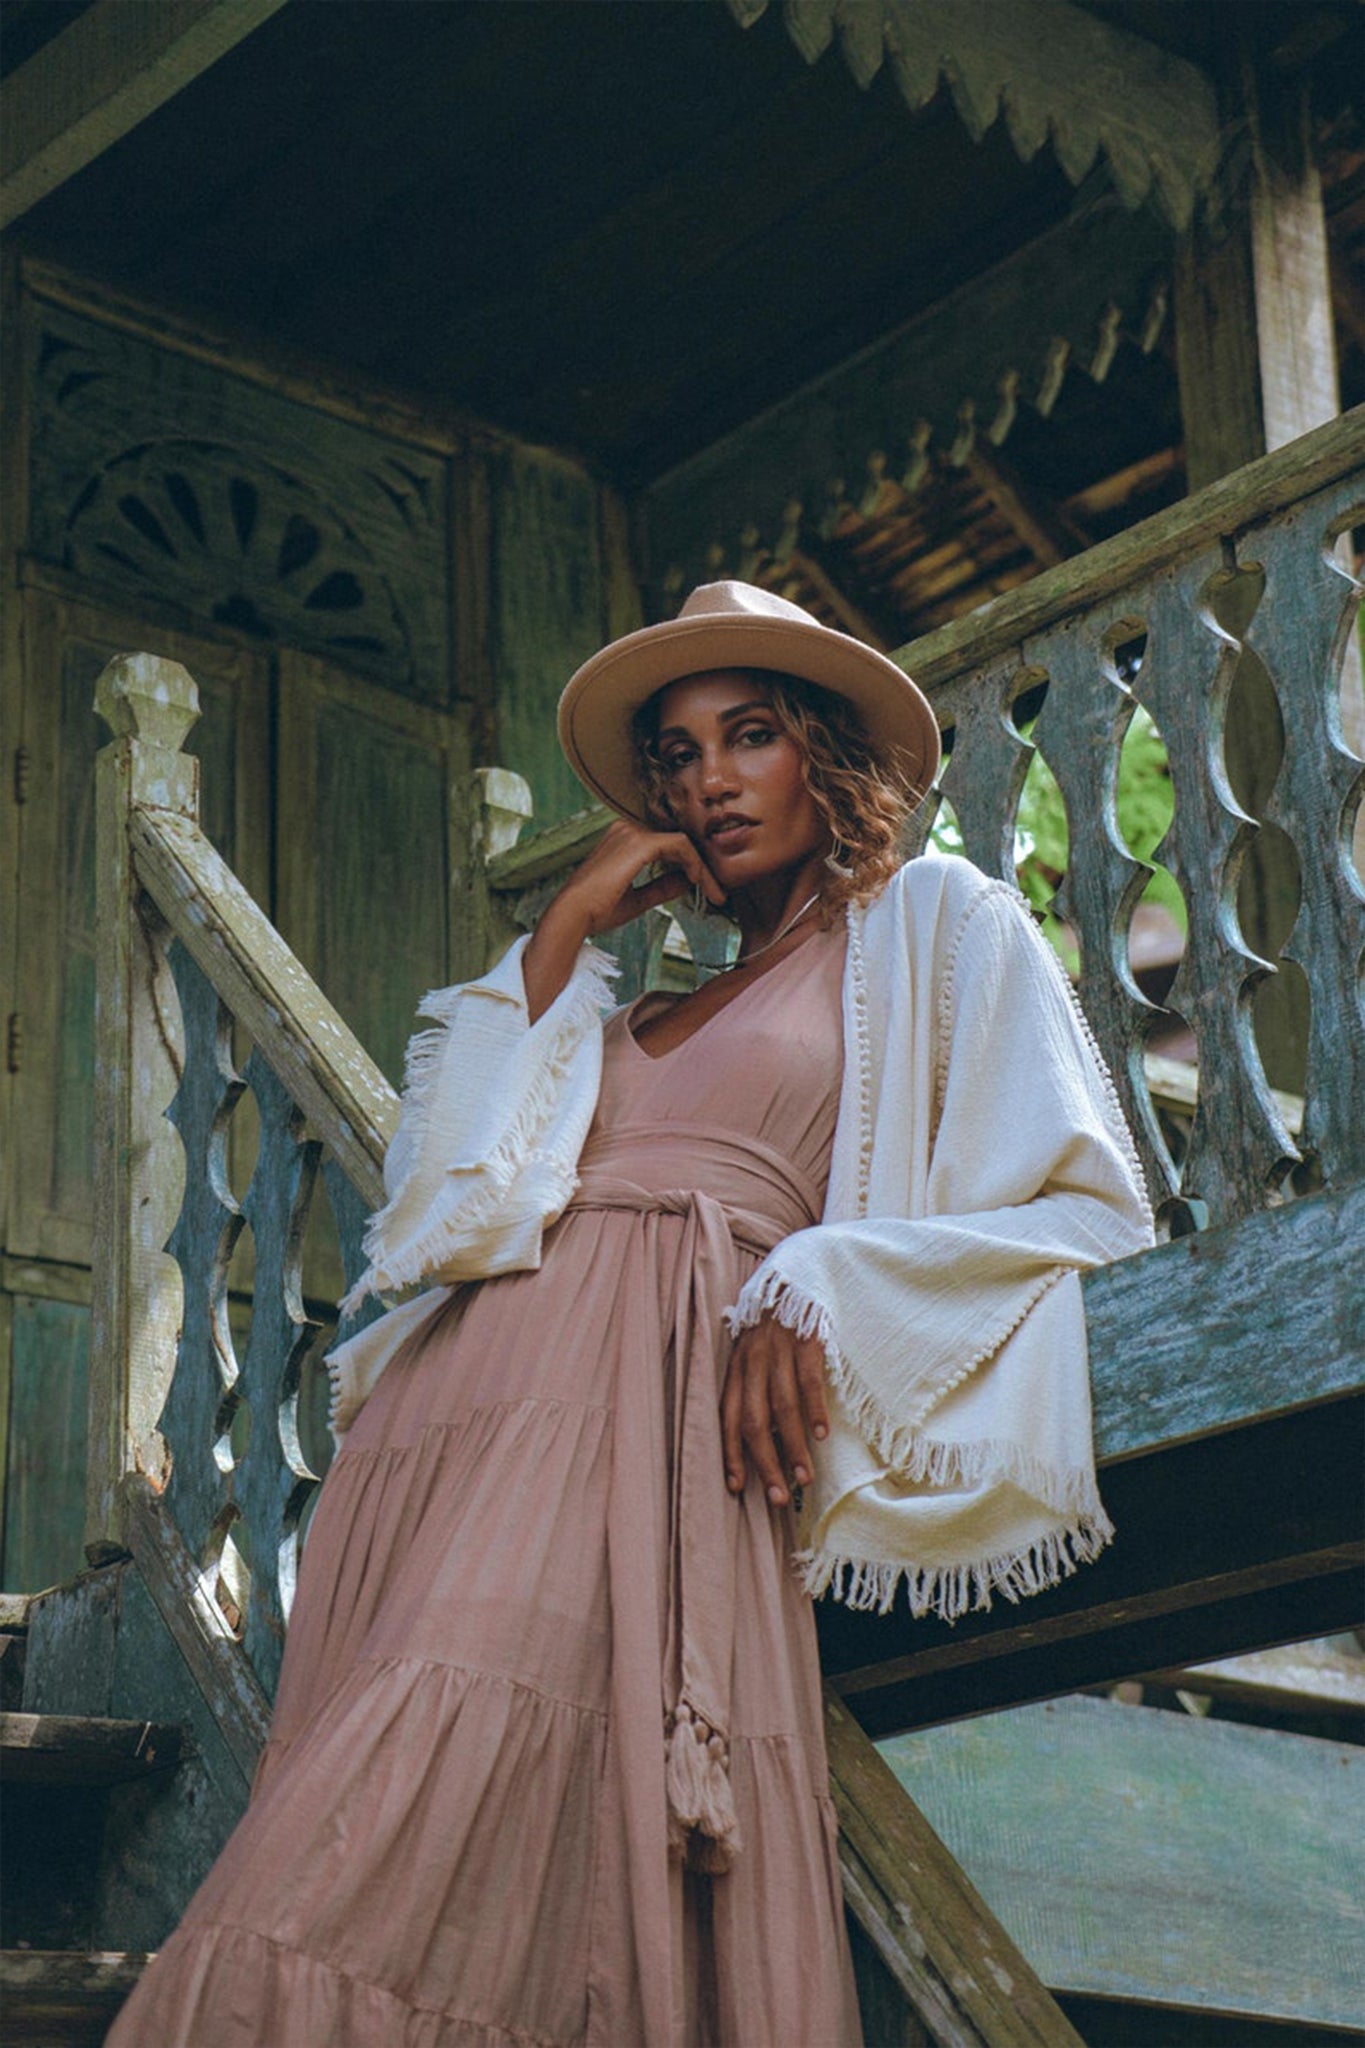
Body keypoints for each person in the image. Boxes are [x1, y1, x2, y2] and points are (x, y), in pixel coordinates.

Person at [108, 580, 1153, 2047]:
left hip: (649, 1423)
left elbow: (1084, 1205)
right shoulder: (615, 1019)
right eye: (674, 755)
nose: (705, 781)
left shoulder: (933, 927)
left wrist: (821, 1277)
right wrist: (570, 921)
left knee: (410, 1863)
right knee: (367, 1827)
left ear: (825, 755)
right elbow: (441, 1216)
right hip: (455, 1427)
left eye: (748, 737)